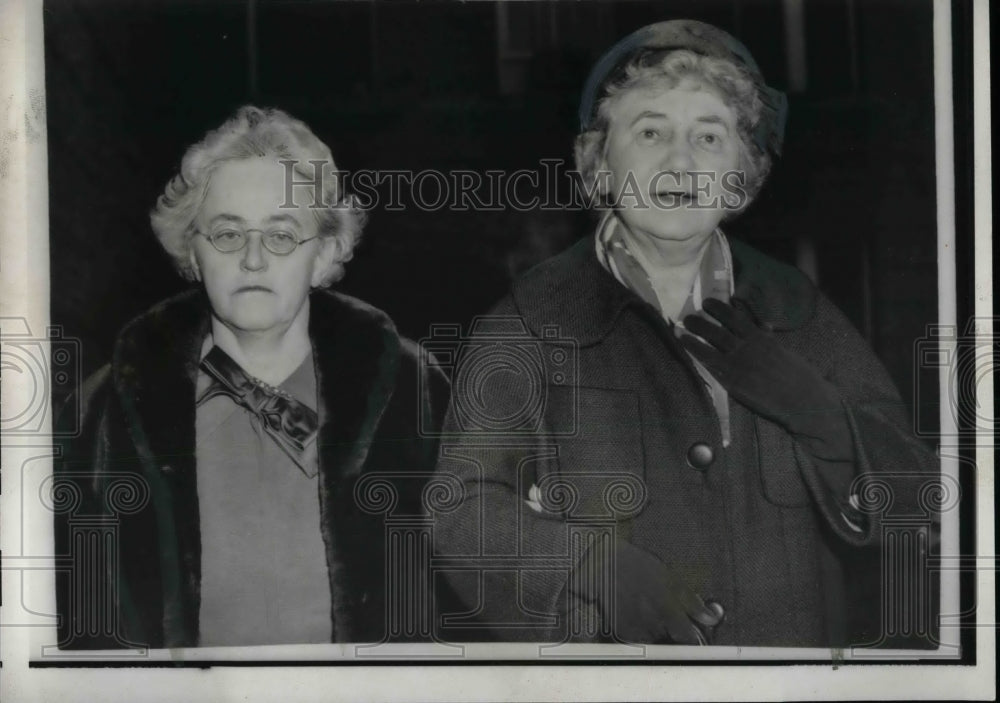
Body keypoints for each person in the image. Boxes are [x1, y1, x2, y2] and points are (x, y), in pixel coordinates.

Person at [430, 20, 938, 647]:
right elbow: (459, 509)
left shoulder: (799, 310)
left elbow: (918, 501)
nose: (681, 160)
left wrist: (824, 419)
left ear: (742, 174)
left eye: (709, 135)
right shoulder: (530, 320)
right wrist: (592, 567)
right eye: (650, 132)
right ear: (600, 163)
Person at [54, 106, 448, 648]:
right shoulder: (104, 412)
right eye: (227, 234)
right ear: (192, 250)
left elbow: (464, 594)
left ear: (325, 252)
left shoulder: (414, 392)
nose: (255, 259)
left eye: (282, 235)